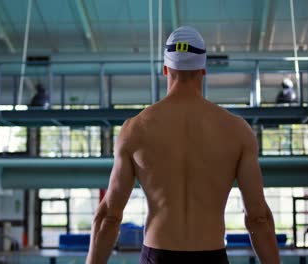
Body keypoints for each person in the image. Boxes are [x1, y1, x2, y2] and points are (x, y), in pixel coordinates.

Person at [86, 26, 280, 264]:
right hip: (212, 256)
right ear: (203, 69)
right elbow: (258, 218)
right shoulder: (237, 131)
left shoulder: (134, 129)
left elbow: (109, 217)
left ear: (166, 68)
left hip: (157, 256)